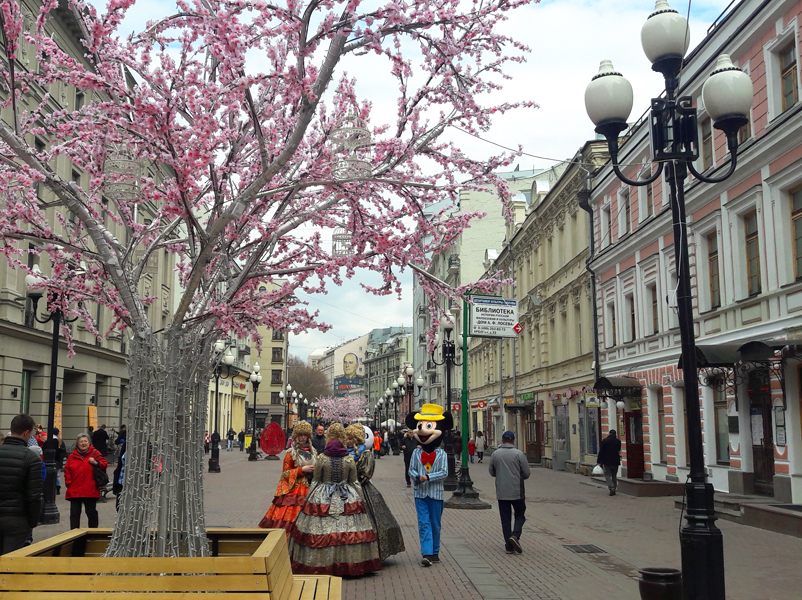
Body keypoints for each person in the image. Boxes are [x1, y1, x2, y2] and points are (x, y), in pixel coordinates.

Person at [287, 427, 382, 576]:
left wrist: (309, 499)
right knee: (348, 529)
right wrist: (360, 499)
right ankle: (350, 563)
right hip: (347, 494)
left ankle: (322, 563)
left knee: (322, 530)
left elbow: (317, 479)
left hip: (322, 495)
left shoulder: (323, 458)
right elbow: (354, 481)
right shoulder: (349, 459)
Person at [346, 424, 405, 561]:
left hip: (362, 490)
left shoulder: (365, 453)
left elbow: (367, 473)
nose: (347, 441)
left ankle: (372, 552)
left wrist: (354, 481)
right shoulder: (344, 452)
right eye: (346, 438)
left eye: (350, 438)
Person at [406, 404, 451, 567]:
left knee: (435, 524)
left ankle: (435, 551)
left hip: (436, 494)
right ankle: (426, 553)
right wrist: (416, 477)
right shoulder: (416, 453)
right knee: (423, 523)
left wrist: (428, 477)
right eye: (421, 426)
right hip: (420, 494)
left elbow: (444, 472)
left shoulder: (442, 455)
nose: (423, 431)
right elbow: (411, 469)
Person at [258, 421, 316, 534]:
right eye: (301, 435)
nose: (303, 437)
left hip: (311, 487)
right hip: (295, 488)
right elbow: (285, 474)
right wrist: (301, 470)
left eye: (305, 435)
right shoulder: (290, 453)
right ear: (296, 436)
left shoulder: (314, 452)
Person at [0, 414, 43, 554]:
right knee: (10, 562)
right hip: (17, 518)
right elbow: (34, 496)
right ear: (26, 432)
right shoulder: (31, 458)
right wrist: (31, 522)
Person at [489, 431, 530, 555]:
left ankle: (509, 546)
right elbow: (527, 473)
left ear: (502, 440)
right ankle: (515, 535)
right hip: (517, 490)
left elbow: (491, 472)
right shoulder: (519, 454)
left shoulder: (495, 454)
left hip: (501, 491)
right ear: (513, 441)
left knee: (505, 519)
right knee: (520, 514)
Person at [64, 433, 108, 529]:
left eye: (85, 441)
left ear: (89, 443)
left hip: (90, 489)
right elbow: (67, 470)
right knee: (74, 514)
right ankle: (74, 535)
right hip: (75, 489)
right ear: (77, 443)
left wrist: (96, 462)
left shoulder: (95, 453)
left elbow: (104, 464)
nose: (83, 443)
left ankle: (93, 533)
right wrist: (68, 482)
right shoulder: (72, 456)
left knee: (91, 513)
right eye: (81, 441)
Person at [597, 429, 622, 496]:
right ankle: (614, 488)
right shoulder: (618, 441)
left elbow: (601, 451)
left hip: (607, 461)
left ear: (609, 433)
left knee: (607, 475)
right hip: (615, 461)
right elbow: (619, 449)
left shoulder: (605, 441)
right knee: (614, 475)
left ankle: (611, 488)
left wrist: (599, 461)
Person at [53, 428, 66, 495]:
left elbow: (63, 450)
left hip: (56, 460)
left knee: (56, 475)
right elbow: (64, 450)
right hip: (58, 460)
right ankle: (56, 488)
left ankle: (56, 488)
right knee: (57, 475)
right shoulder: (59, 441)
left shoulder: (59, 441)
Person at [112, 442, 126, 510]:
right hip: (121, 481)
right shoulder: (127, 443)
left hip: (136, 484)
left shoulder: (145, 445)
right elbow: (120, 465)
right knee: (119, 506)